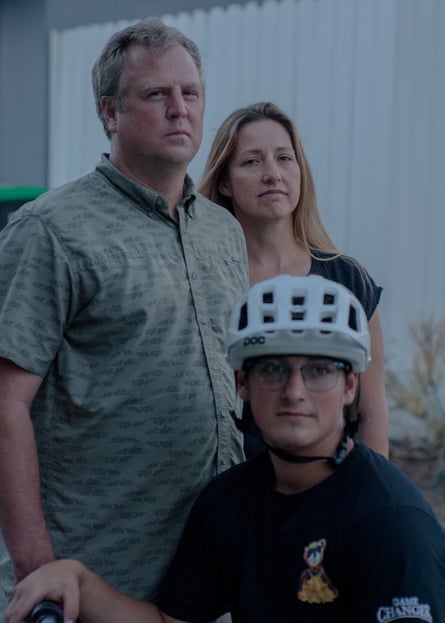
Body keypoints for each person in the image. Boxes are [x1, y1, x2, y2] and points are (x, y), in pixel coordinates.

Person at [6, 274, 445, 623]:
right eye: (272, 369)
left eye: (318, 370)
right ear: (242, 384)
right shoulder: (228, 502)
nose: (295, 391)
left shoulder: (390, 522)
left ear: (351, 386)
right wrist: (78, 581)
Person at [0, 18, 248, 604]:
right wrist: (39, 569)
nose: (179, 110)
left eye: (190, 94)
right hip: (95, 569)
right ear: (110, 112)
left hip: (210, 572)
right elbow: (5, 406)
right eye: (156, 95)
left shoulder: (224, 231)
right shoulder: (51, 230)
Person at [199, 101, 388, 457]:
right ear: (224, 182)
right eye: (252, 161)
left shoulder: (349, 281)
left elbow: (371, 416)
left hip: (325, 496)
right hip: (228, 496)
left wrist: (368, 504)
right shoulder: (203, 281)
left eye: (284, 158)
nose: (272, 173)